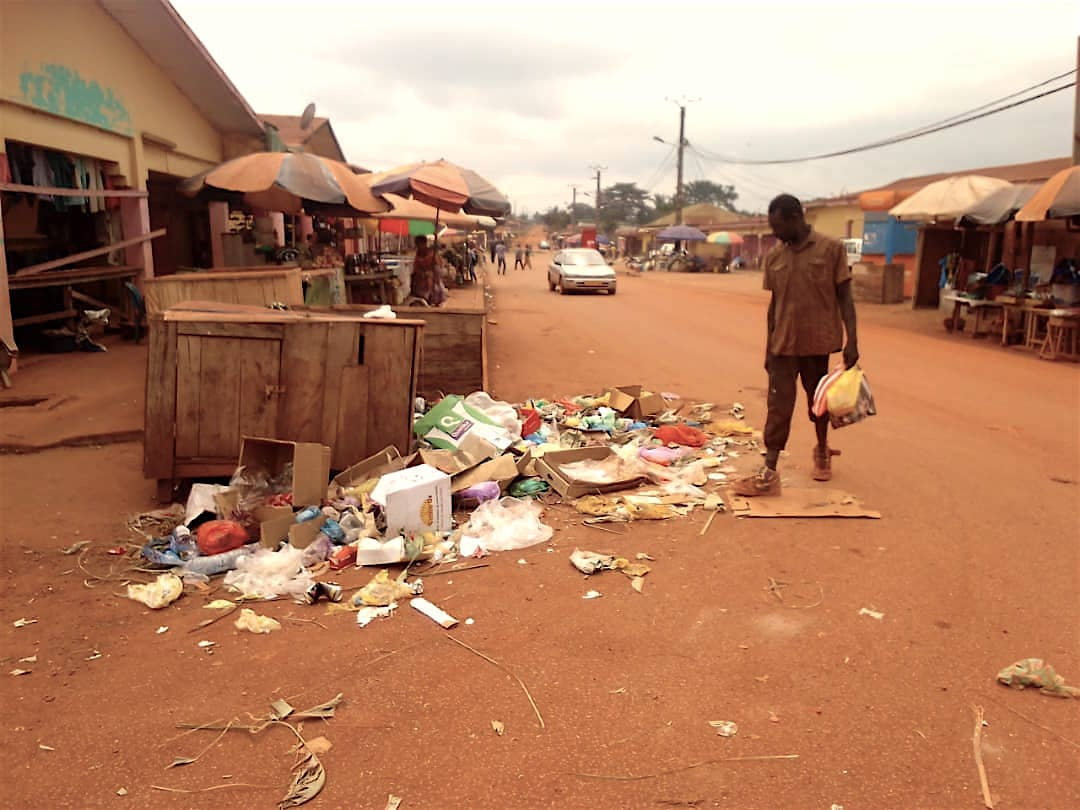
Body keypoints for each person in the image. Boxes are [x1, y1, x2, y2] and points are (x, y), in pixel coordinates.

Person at [733, 194, 859, 497]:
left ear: (795, 218)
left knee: (818, 406)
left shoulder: (831, 249)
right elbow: (774, 306)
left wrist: (852, 341)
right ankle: (770, 470)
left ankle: (822, 450)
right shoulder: (775, 257)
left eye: (777, 227)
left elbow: (845, 298)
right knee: (778, 407)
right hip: (782, 345)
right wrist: (768, 347)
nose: (774, 234)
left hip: (817, 343)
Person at [410, 235, 446, 306]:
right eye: (417, 244)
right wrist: (421, 273)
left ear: (425, 243)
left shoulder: (432, 254)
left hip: (433, 280)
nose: (419, 246)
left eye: (421, 244)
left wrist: (431, 273)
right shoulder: (418, 254)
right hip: (421, 281)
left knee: (436, 293)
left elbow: (439, 266)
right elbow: (416, 267)